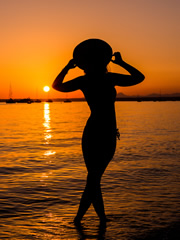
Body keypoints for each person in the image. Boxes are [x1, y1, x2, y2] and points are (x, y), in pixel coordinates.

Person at [52, 39, 145, 225]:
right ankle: (84, 220)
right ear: (104, 60)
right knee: (94, 178)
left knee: (93, 178)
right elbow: (138, 77)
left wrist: (67, 67)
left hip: (97, 131)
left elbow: (56, 85)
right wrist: (121, 63)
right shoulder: (108, 78)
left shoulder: (85, 80)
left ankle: (95, 220)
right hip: (103, 132)